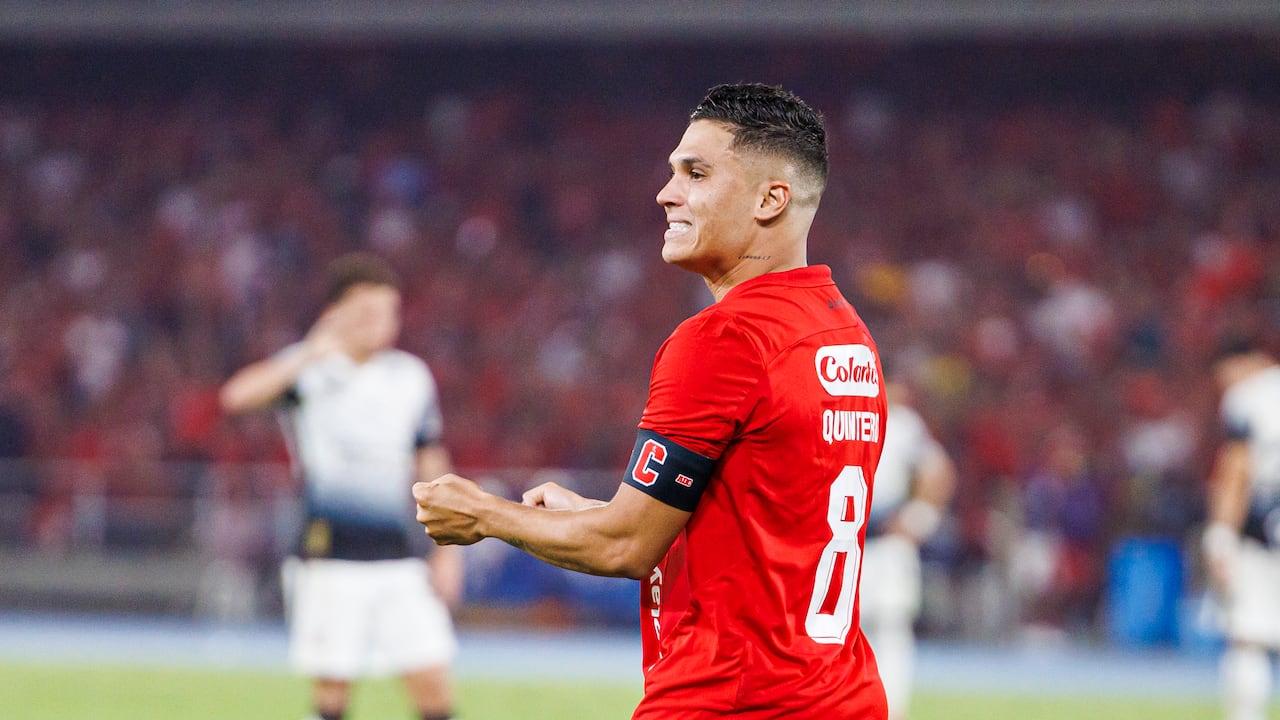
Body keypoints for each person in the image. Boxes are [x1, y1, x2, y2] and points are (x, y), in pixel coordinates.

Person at [415, 83, 889, 718]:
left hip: (731, 701)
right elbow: (761, 531)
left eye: (695, 173)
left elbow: (623, 547)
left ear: (771, 199)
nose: (667, 194)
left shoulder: (726, 338)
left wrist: (483, 515)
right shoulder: (845, 332)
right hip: (841, 696)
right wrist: (593, 513)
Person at [220, 253, 461, 720]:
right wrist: (312, 349)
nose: (381, 323)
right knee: (332, 695)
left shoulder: (410, 376)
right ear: (337, 312)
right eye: (366, 312)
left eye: (388, 311)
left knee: (434, 687)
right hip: (327, 555)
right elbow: (236, 397)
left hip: (399, 555)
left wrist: (448, 550)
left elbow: (430, 460)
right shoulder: (309, 370)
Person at [859, 376, 955, 720]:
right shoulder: (845, 413)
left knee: (890, 627)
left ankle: (893, 710)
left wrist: (919, 517)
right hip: (844, 541)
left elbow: (938, 472)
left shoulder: (901, 423)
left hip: (884, 540)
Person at [1202, 337, 1280, 720]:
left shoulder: (1247, 397)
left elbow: (1237, 466)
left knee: (1249, 634)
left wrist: (1220, 536)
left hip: (1263, 524)